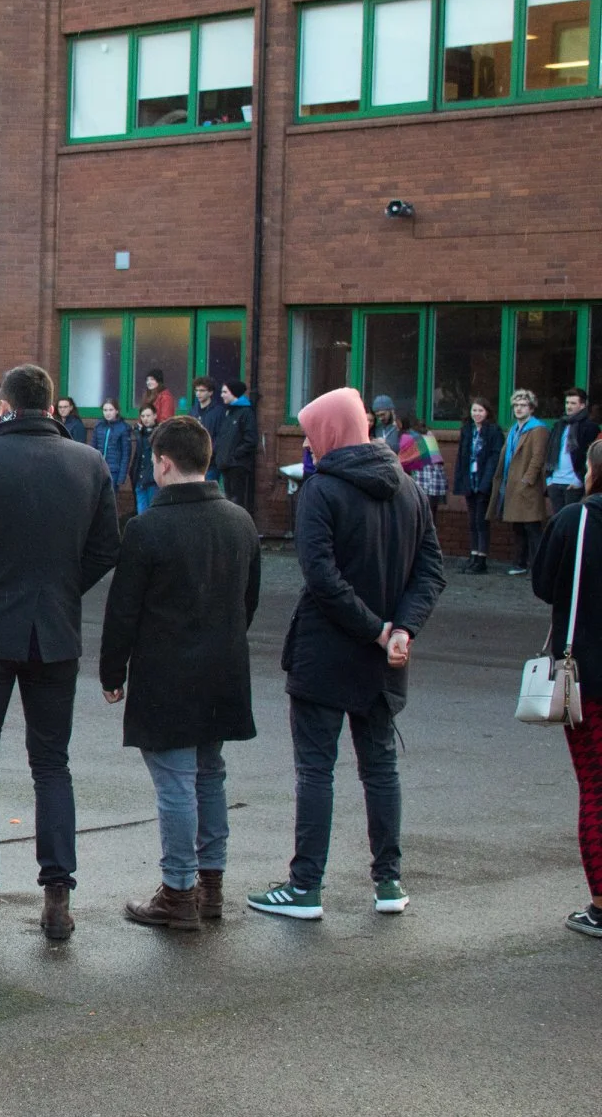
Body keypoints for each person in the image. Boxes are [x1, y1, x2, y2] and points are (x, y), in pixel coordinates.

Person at [0, 363, 121, 942]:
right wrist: (64, 589)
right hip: (56, 632)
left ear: (7, 405)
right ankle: (57, 898)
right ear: (51, 405)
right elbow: (106, 547)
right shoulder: (88, 462)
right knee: (51, 765)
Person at [246, 387, 444, 922]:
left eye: (313, 432)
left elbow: (321, 577)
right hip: (383, 662)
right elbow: (431, 571)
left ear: (330, 432)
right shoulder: (407, 489)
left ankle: (305, 885)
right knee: (380, 769)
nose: (310, 442)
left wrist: (378, 629)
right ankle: (389, 881)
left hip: (325, 653)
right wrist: (401, 629)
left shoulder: (322, 490)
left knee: (316, 770)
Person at [99, 417, 260, 929]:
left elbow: (124, 610)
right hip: (223, 667)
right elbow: (247, 601)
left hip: (167, 672)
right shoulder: (240, 521)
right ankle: (210, 885)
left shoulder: (147, 529)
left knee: (175, 782)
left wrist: (111, 670)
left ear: (163, 463)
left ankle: (178, 890)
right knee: (209, 775)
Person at [530, 439, 602, 940]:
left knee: (596, 788)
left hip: (588, 678)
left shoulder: (575, 522)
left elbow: (544, 585)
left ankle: (601, 904)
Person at [490, 389, 551, 576]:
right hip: (511, 483)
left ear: (531, 408)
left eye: (523, 405)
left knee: (532, 527)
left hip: (526, 486)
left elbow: (538, 456)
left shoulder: (537, 429)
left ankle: (538, 566)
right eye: (516, 405)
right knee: (518, 526)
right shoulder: (514, 429)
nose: (518, 408)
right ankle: (520, 563)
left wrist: (528, 479)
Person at [454, 398, 502, 573]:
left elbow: (494, 458)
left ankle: (482, 558)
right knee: (472, 521)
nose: (477, 414)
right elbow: (462, 456)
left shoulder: (493, 431)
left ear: (487, 412)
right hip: (470, 479)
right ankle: (473, 555)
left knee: (481, 521)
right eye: (474, 410)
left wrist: (486, 482)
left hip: (483, 480)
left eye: (480, 411)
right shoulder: (468, 430)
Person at [544, 388, 598, 515]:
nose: (569, 406)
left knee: (572, 521)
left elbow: (591, 456)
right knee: (557, 522)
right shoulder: (559, 425)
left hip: (573, 483)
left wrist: (579, 480)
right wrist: (549, 479)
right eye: (567, 403)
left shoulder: (589, 427)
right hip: (555, 481)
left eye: (573, 403)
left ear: (582, 405)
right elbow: (550, 451)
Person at [216, 380, 259, 513]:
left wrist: (235, 455)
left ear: (234, 393)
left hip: (237, 465)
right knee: (227, 501)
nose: (222, 395)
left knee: (236, 503)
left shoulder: (245, 412)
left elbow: (251, 440)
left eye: (225, 392)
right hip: (226, 464)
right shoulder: (228, 412)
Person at [395, 416, 446, 516]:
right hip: (436, 478)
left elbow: (403, 460)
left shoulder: (408, 437)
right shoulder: (429, 434)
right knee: (431, 513)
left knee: (419, 513)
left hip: (421, 477)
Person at [91, 400, 131, 492]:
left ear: (117, 411)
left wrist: (122, 476)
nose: (107, 413)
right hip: (99, 467)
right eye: (105, 410)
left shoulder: (123, 428)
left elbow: (126, 454)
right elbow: (93, 448)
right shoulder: (99, 426)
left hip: (114, 470)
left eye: (110, 410)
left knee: (110, 498)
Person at [130, 403, 161, 512]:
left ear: (155, 416)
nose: (145, 419)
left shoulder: (159, 433)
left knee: (153, 511)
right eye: (143, 416)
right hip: (139, 477)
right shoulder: (138, 433)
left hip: (153, 478)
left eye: (148, 416)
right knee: (141, 511)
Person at [193, 377, 225, 473]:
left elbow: (221, 436)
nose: (198, 393)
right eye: (196, 390)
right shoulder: (193, 411)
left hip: (211, 462)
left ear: (210, 393)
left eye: (202, 391)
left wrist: (210, 453)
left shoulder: (219, 412)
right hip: (194, 461)